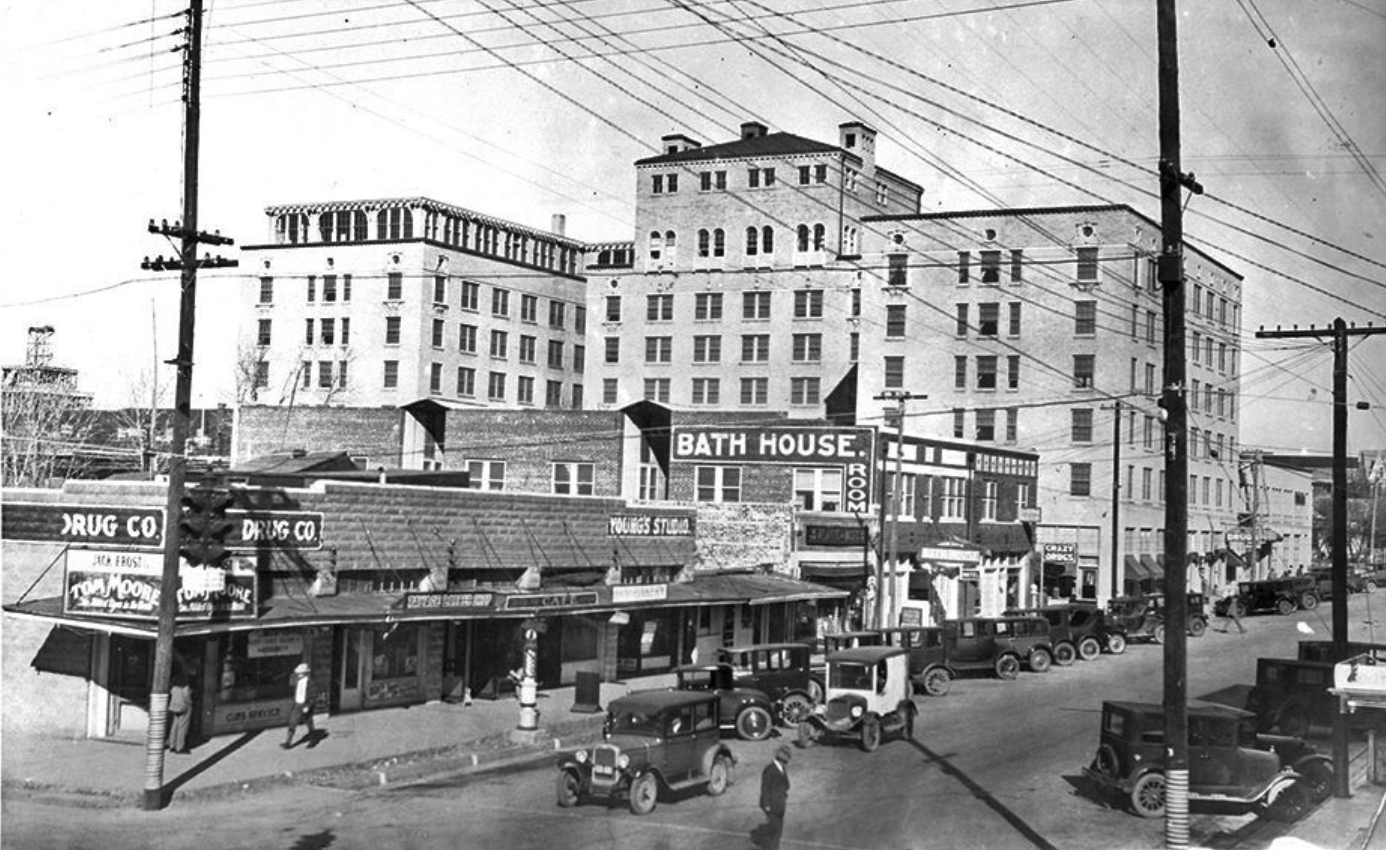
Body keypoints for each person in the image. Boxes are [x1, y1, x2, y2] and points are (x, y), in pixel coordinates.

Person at [752, 745, 791, 850]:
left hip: (780, 804)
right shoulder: (770, 769)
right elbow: (765, 788)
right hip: (771, 805)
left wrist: (783, 794)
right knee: (775, 829)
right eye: (787, 758)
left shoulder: (781, 768)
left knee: (778, 830)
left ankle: (774, 847)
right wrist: (767, 805)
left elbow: (786, 784)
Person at [283, 662, 317, 749]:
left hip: (305, 705)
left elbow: (312, 696)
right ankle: (288, 742)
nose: (298, 674)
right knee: (292, 722)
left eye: (300, 673)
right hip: (298, 704)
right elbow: (297, 693)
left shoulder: (310, 682)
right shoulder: (298, 681)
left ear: (305, 673)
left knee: (309, 723)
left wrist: (308, 706)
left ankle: (312, 740)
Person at [167, 673, 193, 754]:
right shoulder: (186, 687)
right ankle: (180, 747)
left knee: (175, 725)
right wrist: (191, 703)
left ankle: (172, 745)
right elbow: (187, 698)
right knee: (183, 726)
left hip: (175, 707)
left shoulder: (174, 687)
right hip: (184, 707)